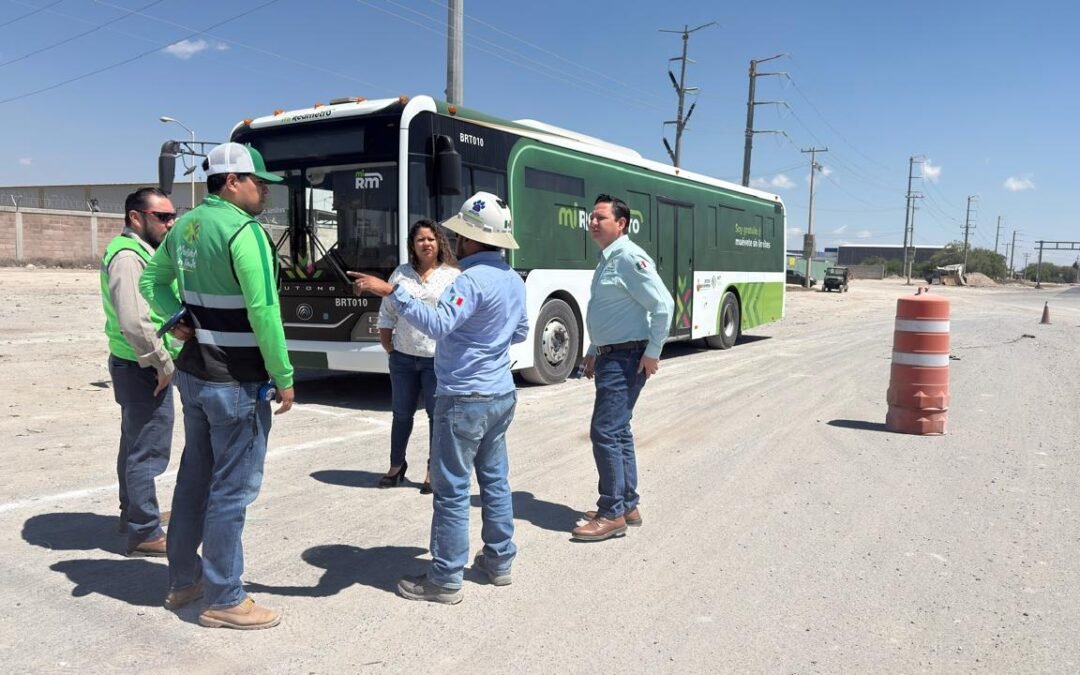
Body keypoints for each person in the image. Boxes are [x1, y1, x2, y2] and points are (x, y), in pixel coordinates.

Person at [140, 142, 295, 630]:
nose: (264, 191)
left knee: (194, 482)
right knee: (232, 491)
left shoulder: (185, 226)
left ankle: (183, 582)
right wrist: (284, 377)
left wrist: (176, 318)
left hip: (195, 375)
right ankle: (225, 597)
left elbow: (151, 282)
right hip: (237, 381)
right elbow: (264, 312)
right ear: (232, 181)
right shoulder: (244, 232)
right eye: (258, 182)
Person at [349, 192, 527, 605]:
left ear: (470, 239)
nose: (455, 241)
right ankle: (499, 561)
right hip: (500, 392)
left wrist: (391, 291)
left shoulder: (469, 281)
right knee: (495, 480)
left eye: (459, 235)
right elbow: (519, 332)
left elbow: (437, 324)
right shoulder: (512, 280)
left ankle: (445, 578)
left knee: (452, 489)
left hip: (464, 395)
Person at [571, 193, 674, 542]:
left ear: (621, 223)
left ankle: (611, 512)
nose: (593, 222)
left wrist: (653, 352)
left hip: (626, 358)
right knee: (618, 431)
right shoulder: (608, 258)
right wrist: (593, 349)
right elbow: (611, 311)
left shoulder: (629, 258)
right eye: (592, 217)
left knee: (604, 431)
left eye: (600, 217)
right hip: (611, 355)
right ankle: (627, 505)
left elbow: (663, 305)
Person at [100, 187, 186, 557]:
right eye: (162, 217)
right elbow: (134, 320)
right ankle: (145, 530)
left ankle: (134, 513)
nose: (171, 223)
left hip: (136, 363)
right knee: (147, 451)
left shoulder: (140, 252)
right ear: (136, 217)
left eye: (173, 216)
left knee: (135, 443)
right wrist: (161, 362)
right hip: (143, 366)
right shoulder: (127, 257)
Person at [376, 220, 459, 492]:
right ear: (412, 244)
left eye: (431, 239)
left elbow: (456, 317)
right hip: (403, 358)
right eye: (420, 239)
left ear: (439, 242)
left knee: (437, 416)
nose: (426, 244)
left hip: (437, 360)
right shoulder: (400, 274)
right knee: (401, 414)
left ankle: (432, 470)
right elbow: (387, 311)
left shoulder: (452, 276)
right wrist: (387, 344)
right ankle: (396, 466)